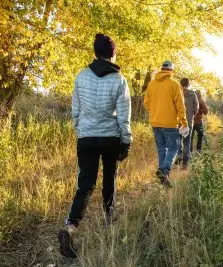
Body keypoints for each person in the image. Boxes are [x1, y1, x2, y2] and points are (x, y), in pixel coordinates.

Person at [58, 33, 132, 258]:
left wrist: (81, 130)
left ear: (95, 53)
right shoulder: (119, 79)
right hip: (110, 137)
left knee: (85, 184)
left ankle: (71, 226)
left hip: (87, 138)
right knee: (110, 178)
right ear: (113, 54)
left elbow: (76, 110)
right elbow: (123, 114)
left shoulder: (81, 76)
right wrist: (126, 140)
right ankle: (109, 219)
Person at [144, 60, 188, 187]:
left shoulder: (151, 84)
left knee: (161, 149)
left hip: (155, 122)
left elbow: (146, 103)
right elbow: (180, 105)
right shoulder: (174, 84)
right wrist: (183, 122)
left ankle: (164, 178)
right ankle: (164, 170)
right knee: (174, 148)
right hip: (169, 123)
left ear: (161, 69)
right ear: (171, 71)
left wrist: (155, 112)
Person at [177, 78, 198, 169]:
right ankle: (185, 163)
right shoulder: (193, 94)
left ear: (180, 84)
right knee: (187, 142)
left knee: (177, 140)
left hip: (177, 122)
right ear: (188, 84)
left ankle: (179, 155)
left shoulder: (177, 93)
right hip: (188, 122)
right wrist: (190, 115)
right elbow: (195, 109)